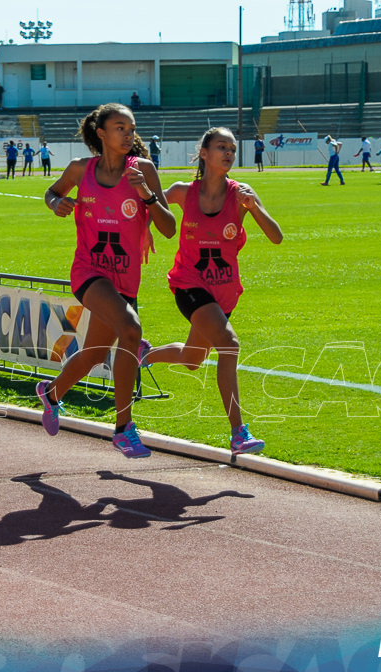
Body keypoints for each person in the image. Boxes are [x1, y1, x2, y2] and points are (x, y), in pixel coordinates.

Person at [37, 102, 176, 458]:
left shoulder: (143, 169)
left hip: (125, 279)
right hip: (88, 272)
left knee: (94, 354)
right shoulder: (80, 169)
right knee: (131, 330)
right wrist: (57, 204)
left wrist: (146, 195)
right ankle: (123, 428)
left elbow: (169, 228)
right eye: (120, 129)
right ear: (101, 133)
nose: (129, 135)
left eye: (131, 129)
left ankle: (51, 395)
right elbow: (52, 192)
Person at [142, 127, 283, 454]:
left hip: (225, 293)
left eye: (232, 148)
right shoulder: (182, 191)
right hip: (189, 284)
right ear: (203, 153)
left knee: (192, 359)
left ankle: (143, 356)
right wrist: (145, 232)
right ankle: (238, 431)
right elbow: (153, 207)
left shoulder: (242, 194)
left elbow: (276, 236)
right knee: (229, 345)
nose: (229, 153)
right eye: (221, 147)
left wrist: (254, 207)